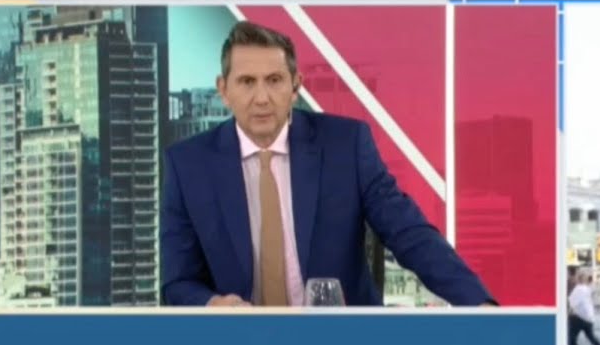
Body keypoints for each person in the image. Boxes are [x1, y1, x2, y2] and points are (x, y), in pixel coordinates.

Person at [160, 21, 495, 307]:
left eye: (274, 80)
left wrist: (479, 304)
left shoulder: (346, 146)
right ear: (224, 90)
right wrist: (212, 304)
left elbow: (409, 232)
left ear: (295, 87)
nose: (261, 98)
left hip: (344, 344)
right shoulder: (187, 165)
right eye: (247, 82)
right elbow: (178, 282)